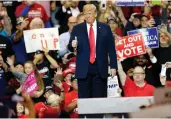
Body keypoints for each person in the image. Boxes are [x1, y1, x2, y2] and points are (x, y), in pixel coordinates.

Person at [68, 4, 117, 99]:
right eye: (85, 14)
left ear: (95, 14)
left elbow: (111, 49)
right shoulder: (77, 28)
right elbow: (70, 46)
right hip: (84, 69)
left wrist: (113, 66)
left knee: (99, 101)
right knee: (85, 101)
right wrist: (72, 45)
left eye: (89, 13)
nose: (87, 16)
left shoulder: (105, 28)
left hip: (100, 69)